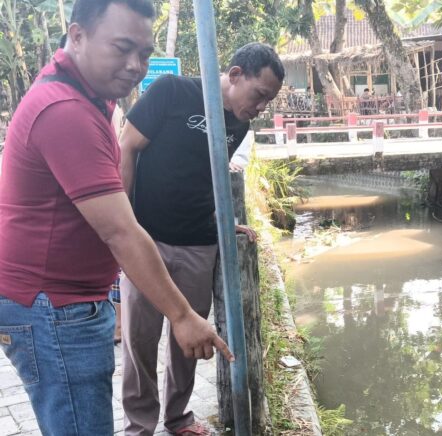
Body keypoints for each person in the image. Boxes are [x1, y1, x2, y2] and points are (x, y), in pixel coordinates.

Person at [0, 1, 232, 434]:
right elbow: (120, 231)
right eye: (122, 48)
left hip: (63, 301)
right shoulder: (65, 109)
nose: (135, 66)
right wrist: (182, 316)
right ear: (77, 36)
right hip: (53, 307)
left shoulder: (87, 98)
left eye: (143, 54)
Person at [118, 42, 283, 436]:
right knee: (139, 341)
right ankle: (138, 426)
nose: (261, 106)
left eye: (269, 101)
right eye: (260, 95)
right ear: (236, 74)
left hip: (200, 245)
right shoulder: (172, 91)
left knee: (188, 340)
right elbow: (126, 148)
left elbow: (209, 175)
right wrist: (124, 223)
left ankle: (178, 419)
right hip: (147, 241)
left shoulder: (240, 124)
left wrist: (226, 220)